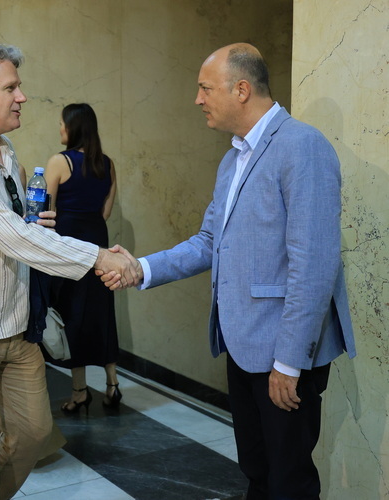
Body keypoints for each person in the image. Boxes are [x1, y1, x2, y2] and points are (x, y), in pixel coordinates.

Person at [104, 43, 357, 499]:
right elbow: (209, 242)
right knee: (257, 472)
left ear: (241, 90)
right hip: (241, 345)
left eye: (205, 88)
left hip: (282, 354)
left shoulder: (302, 146)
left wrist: (289, 362)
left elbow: (314, 266)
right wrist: (140, 268)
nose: (198, 99)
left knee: (290, 483)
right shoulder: (232, 159)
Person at [0, 42, 139, 500]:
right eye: (11, 88)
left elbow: (16, 228)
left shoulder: (5, 150)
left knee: (36, 433)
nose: (22, 96)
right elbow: (11, 237)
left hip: (17, 324)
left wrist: (31, 223)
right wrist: (98, 257)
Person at [43, 103, 121, 413]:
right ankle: (112, 384)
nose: (60, 128)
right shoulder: (107, 164)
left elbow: (46, 212)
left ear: (73, 127)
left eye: (62, 123)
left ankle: (79, 391)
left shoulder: (59, 162)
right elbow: (106, 211)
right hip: (98, 243)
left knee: (71, 315)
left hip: (67, 246)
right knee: (101, 314)